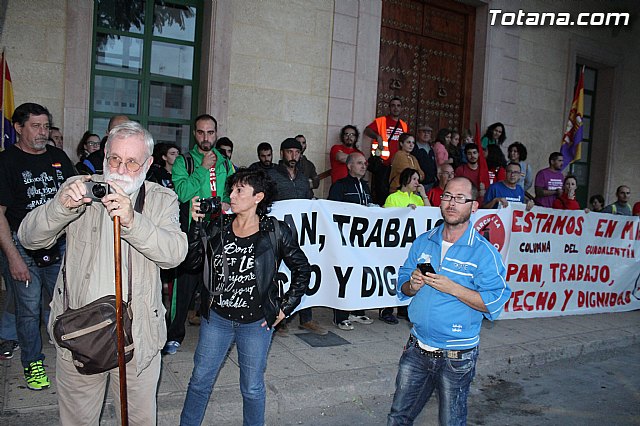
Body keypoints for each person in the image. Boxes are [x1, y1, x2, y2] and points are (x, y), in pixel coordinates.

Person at [18, 121, 187, 425]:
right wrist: (60, 207)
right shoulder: (81, 188)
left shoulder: (162, 199)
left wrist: (133, 221)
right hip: (78, 334)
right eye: (115, 159)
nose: (121, 169)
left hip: (138, 341)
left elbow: (174, 254)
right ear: (105, 155)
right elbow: (30, 238)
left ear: (148, 164)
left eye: (132, 162)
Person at [179, 168, 310, 426]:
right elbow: (192, 263)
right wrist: (196, 225)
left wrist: (285, 308)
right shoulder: (219, 225)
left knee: (251, 388)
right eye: (232, 189)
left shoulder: (275, 231)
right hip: (216, 319)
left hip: (256, 323)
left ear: (258, 197)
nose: (233, 195)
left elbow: (302, 269)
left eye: (240, 190)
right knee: (199, 381)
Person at [387, 177, 511, 426]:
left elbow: (495, 301)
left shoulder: (484, 252)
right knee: (398, 416)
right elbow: (401, 284)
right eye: (447, 196)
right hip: (416, 348)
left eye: (459, 198)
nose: (451, 203)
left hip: (457, 357)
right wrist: (411, 285)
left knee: (451, 421)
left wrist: (455, 289)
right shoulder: (424, 240)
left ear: (474, 206)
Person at [0, 103, 76, 389]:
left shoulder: (57, 157)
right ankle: (33, 363)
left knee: (64, 304)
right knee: (28, 310)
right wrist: (13, 258)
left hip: (59, 245)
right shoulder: (7, 162)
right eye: (36, 126)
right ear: (18, 128)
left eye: (46, 126)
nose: (43, 132)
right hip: (22, 247)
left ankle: (71, 355)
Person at [164, 114, 234, 355]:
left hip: (218, 234)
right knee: (182, 289)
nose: (206, 137)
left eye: (210, 132)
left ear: (216, 133)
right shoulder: (185, 161)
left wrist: (226, 202)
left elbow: (231, 191)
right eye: (201, 132)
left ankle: (212, 335)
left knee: (213, 287)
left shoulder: (225, 162)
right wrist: (203, 170)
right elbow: (182, 193)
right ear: (195, 134)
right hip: (191, 233)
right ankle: (173, 335)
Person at [268, 138, 326, 335]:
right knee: (279, 273)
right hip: (279, 233)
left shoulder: (302, 178)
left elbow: (308, 201)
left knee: (303, 270)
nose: (293, 156)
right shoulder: (272, 175)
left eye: (297, 152)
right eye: (289, 152)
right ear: (282, 153)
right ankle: (280, 318)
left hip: (301, 234)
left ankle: (306, 318)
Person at [328, 152, 375, 330]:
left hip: (362, 241)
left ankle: (357, 311)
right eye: (359, 163)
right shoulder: (340, 186)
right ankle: (340, 316)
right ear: (349, 166)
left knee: (361, 274)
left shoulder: (365, 186)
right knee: (344, 276)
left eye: (365, 163)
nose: (363, 166)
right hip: (344, 240)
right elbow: (332, 211)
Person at [364, 97, 409, 164]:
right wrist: (377, 137)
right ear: (389, 108)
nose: (396, 108)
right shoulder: (381, 121)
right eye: (393, 105)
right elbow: (367, 131)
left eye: (398, 106)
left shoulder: (404, 125)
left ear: (401, 109)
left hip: (398, 162)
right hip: (381, 162)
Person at [410, 123, 438, 193]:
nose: (426, 134)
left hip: (431, 183)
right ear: (418, 134)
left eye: (428, 132)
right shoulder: (413, 148)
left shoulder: (431, 148)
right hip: (419, 184)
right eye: (424, 132)